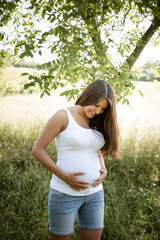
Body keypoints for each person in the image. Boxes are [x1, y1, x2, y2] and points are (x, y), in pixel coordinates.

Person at [32, 79, 120, 240]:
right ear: (88, 96)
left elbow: (95, 149)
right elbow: (38, 150)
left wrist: (103, 167)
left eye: (103, 108)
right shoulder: (63, 116)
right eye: (96, 105)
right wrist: (64, 176)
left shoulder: (97, 120)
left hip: (94, 194)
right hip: (65, 193)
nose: (98, 111)